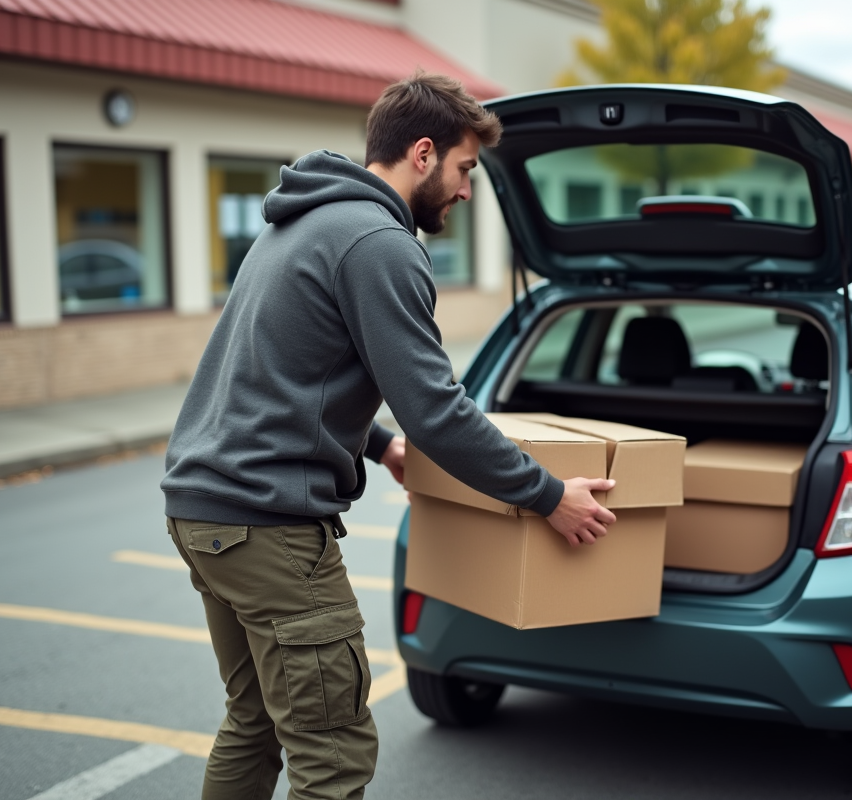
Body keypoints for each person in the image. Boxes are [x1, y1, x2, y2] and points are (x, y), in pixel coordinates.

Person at [160, 71, 617, 800]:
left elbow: (286, 374)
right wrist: (548, 495)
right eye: (467, 169)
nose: (469, 191)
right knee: (333, 753)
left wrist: (378, 445)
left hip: (205, 512)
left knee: (255, 725)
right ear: (426, 153)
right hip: (268, 526)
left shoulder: (303, 219)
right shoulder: (379, 242)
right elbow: (436, 410)